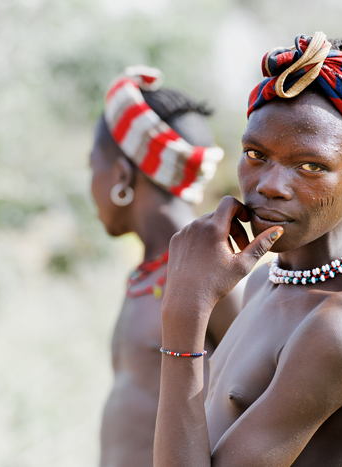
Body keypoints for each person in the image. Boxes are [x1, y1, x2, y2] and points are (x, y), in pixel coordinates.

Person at [153, 32, 342, 466]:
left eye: (310, 166)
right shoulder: (265, 282)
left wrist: (184, 314)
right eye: (256, 154)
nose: (269, 185)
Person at [89, 66, 242, 467]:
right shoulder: (148, 272)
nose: (90, 184)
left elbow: (253, 397)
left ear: (121, 174)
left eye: (92, 166)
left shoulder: (213, 272)